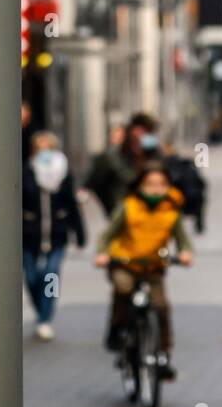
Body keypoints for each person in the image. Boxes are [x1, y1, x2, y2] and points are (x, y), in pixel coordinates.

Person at [94, 163, 193, 380]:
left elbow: (183, 240)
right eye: (150, 184)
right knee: (123, 288)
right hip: (125, 263)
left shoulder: (171, 211)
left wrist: (185, 253)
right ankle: (117, 329)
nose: (156, 189)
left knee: (161, 307)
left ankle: (164, 355)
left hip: (153, 266)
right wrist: (102, 253)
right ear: (139, 186)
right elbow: (107, 235)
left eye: (161, 184)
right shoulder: (128, 207)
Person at [21, 130, 85, 342]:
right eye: (39, 147)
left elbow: (71, 204)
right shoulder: (25, 172)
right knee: (31, 277)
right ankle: (41, 308)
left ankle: (44, 318)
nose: (43, 152)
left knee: (51, 275)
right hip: (29, 234)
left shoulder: (63, 173)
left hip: (56, 234)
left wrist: (79, 232)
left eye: (47, 147)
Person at [84, 122, 134, 215]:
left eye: (119, 137)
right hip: (115, 203)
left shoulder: (130, 156)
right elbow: (96, 179)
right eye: (114, 136)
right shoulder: (107, 156)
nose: (116, 139)